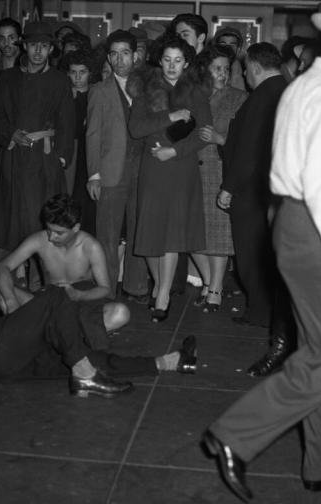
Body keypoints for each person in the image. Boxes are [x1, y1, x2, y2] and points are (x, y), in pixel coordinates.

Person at [203, 0, 321, 502]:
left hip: (298, 223)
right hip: (318, 225)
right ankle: (234, 435)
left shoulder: (309, 86)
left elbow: (318, 155)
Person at [0, 287, 196, 398]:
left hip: (3, 367)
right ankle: (84, 374)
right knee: (56, 296)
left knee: (80, 356)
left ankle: (168, 362)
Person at [218, 43, 292, 374]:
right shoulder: (288, 91)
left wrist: (229, 187)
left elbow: (248, 149)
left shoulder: (262, 96)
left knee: (250, 253)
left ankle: (260, 312)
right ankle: (262, 311)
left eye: (245, 69)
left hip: (253, 190)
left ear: (256, 67)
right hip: (277, 188)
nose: (244, 75)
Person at [128, 36, 212, 322]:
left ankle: (162, 294)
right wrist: (170, 115)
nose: (172, 66)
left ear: (186, 62)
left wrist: (174, 150)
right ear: (158, 60)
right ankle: (159, 286)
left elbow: (205, 133)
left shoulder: (197, 92)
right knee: (151, 233)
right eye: (166, 59)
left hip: (181, 168)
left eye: (178, 60)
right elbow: (136, 129)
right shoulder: (146, 90)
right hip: (153, 169)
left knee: (173, 235)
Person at [0, 20, 76, 267]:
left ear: (51, 50)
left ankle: (43, 282)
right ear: (25, 47)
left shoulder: (60, 81)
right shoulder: (9, 78)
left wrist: (62, 157)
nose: (37, 52)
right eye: (33, 45)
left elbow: (67, 122)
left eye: (43, 46)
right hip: (14, 159)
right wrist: (10, 133)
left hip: (45, 162)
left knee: (45, 223)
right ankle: (9, 279)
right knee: (10, 222)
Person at [0, 193, 129, 335]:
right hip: (47, 303)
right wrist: (11, 303)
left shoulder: (90, 246)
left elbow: (105, 289)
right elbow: (2, 267)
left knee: (120, 313)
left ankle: (51, 333)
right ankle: (63, 333)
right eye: (49, 230)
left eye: (59, 233)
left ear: (75, 228)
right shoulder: (39, 240)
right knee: (2, 293)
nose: (52, 237)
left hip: (79, 307)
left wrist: (78, 295)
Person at [86, 29, 149, 302]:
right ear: (108, 59)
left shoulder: (150, 87)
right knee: (107, 236)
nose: (119, 59)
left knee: (141, 230)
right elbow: (93, 134)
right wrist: (94, 175)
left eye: (125, 53)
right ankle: (106, 291)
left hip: (145, 167)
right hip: (111, 171)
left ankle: (136, 286)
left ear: (135, 56)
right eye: (114, 54)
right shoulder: (99, 91)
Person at [190, 43, 248, 312]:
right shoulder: (191, 95)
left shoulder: (239, 98)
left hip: (219, 171)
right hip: (189, 171)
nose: (222, 74)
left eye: (226, 69)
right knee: (190, 235)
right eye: (217, 68)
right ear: (204, 70)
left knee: (219, 236)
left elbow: (245, 141)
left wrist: (219, 138)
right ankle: (207, 281)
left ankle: (215, 288)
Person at [59, 47, 96, 233]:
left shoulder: (96, 95)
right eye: (73, 72)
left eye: (82, 72)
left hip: (90, 153)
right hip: (70, 153)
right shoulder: (62, 96)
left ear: (90, 73)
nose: (78, 77)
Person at [213, 25, 247, 90]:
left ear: (238, 49)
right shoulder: (207, 67)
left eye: (232, 44)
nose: (227, 47)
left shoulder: (246, 72)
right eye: (223, 44)